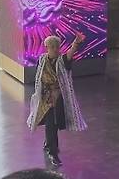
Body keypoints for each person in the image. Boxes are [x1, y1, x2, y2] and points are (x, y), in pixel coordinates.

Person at [26, 33, 87, 167]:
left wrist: (76, 43)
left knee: (55, 124)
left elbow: (70, 54)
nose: (55, 48)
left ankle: (49, 145)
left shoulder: (62, 60)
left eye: (57, 46)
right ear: (46, 47)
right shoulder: (42, 60)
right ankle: (52, 151)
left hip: (58, 98)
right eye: (52, 46)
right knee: (50, 124)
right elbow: (38, 78)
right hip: (45, 99)